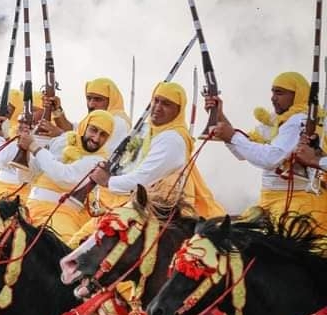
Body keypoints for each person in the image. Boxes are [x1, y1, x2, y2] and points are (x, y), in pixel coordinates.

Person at [78, 82, 223, 247]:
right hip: (130, 206)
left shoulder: (173, 139)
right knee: (78, 242)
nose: (158, 107)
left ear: (178, 110)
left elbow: (142, 179)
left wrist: (107, 181)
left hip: (155, 216)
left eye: (166, 104)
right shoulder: (147, 129)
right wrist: (112, 170)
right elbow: (130, 165)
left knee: (85, 246)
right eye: (156, 100)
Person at [206, 71, 327, 230]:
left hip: (296, 203)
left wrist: (232, 137)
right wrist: (219, 116)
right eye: (272, 92)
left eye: (279, 93)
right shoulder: (278, 120)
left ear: (297, 95)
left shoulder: (300, 120)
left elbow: (271, 158)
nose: (273, 98)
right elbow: (244, 151)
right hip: (269, 201)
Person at [20, 110, 114, 243]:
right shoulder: (63, 140)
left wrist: (34, 147)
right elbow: (31, 173)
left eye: (103, 135)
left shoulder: (99, 161)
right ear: (84, 127)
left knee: (58, 248)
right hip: (29, 207)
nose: (96, 138)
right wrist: (24, 151)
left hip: (62, 215)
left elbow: (65, 177)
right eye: (93, 130)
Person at [41, 77, 131, 153]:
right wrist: (57, 110)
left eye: (98, 99)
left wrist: (61, 135)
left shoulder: (117, 122)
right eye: (89, 98)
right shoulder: (97, 119)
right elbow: (74, 130)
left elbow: (94, 150)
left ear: (111, 100)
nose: (91, 104)